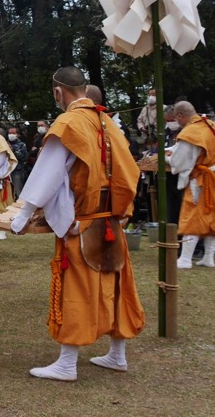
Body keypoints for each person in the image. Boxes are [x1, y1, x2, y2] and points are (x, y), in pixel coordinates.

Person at [10, 66, 144, 382]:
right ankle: (117, 354)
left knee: (77, 288)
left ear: (58, 92)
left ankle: (67, 364)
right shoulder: (108, 122)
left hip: (82, 223)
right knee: (114, 286)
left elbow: (49, 171)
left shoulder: (69, 123)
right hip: (111, 220)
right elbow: (130, 171)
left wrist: (23, 213)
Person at [167, 101, 215, 269]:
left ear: (180, 116)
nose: (176, 122)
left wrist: (166, 158)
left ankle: (185, 258)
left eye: (176, 118)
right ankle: (208, 257)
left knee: (193, 216)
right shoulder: (211, 125)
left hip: (203, 180)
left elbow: (181, 160)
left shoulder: (192, 131)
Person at [7, 126, 29, 194]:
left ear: (18, 135)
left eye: (13, 133)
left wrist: (13, 150)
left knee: (17, 191)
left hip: (17, 171)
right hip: (7, 172)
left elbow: (23, 157)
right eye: (9, 133)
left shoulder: (22, 145)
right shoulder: (5, 144)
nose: (11, 135)